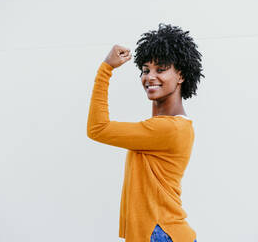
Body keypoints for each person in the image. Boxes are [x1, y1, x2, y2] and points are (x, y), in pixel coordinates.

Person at [87, 23, 204, 242]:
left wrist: (106, 69)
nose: (149, 76)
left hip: (160, 234)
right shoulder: (171, 127)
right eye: (145, 69)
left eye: (160, 69)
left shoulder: (167, 129)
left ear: (181, 75)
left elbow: (97, 128)